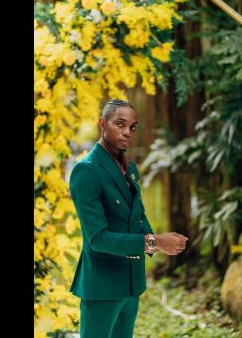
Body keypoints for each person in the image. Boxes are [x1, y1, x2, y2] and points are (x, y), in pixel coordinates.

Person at [69, 99, 189, 338]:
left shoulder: (130, 168)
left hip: (131, 281)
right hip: (102, 286)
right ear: (102, 123)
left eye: (133, 126)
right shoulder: (86, 172)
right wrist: (154, 241)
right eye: (120, 124)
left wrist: (162, 243)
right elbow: (98, 238)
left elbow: (138, 214)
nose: (127, 132)